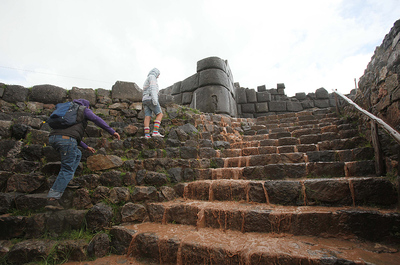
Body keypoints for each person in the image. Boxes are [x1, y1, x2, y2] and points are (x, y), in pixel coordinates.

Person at [46, 98, 120, 210]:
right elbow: (96, 119)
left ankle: (67, 180)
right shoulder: (83, 109)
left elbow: (70, 133)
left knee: (77, 153)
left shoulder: (67, 113)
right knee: (67, 168)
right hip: (66, 140)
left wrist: (86, 147)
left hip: (54, 138)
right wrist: (112, 131)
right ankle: (53, 199)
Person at [142, 68, 164, 138]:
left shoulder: (147, 78)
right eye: (158, 74)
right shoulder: (152, 77)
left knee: (147, 116)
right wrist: (155, 99)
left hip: (145, 99)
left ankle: (147, 135)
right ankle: (155, 132)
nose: (158, 76)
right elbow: (153, 87)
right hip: (151, 98)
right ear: (156, 73)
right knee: (160, 114)